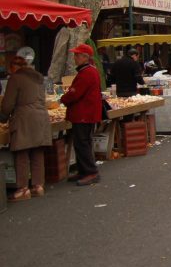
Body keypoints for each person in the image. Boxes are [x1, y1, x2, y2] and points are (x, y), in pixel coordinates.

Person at [0, 56, 52, 201]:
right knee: (37, 152)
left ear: (14, 67)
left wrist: (3, 117)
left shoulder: (16, 78)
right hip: (41, 118)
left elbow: (8, 104)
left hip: (24, 119)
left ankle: (23, 189)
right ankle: (38, 186)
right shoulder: (38, 78)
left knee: (21, 154)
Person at [60, 44, 103, 186]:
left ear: (85, 57)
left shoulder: (87, 73)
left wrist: (63, 99)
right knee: (81, 143)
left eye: (77, 55)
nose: (75, 57)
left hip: (84, 113)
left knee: (82, 143)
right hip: (86, 113)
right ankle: (83, 170)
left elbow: (75, 93)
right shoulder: (89, 70)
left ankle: (91, 172)